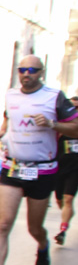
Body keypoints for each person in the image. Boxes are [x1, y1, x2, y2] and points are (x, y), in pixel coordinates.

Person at [0, 56, 78, 265]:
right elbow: (7, 123)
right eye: (23, 69)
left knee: (34, 227)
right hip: (13, 167)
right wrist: (0, 134)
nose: (27, 74)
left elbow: (75, 127)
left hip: (42, 170)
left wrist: (53, 124)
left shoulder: (55, 97)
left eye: (32, 70)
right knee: (3, 224)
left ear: (41, 72)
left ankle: (43, 245)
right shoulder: (11, 96)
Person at [52, 95, 78, 245]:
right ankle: (66, 217)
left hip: (75, 169)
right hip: (60, 167)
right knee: (60, 200)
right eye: (72, 108)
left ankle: (62, 230)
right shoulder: (60, 126)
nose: (75, 111)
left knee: (68, 199)